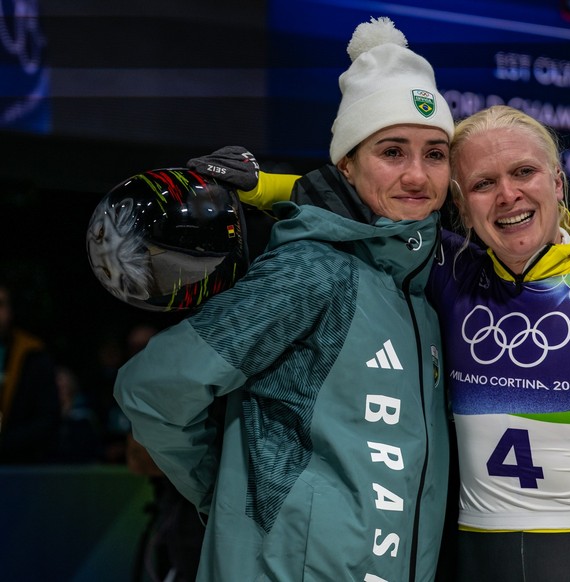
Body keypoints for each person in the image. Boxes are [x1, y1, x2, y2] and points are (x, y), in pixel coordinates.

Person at [222, 105, 570, 580]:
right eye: (484, 183)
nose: (508, 194)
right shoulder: (447, 272)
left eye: (524, 173)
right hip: (477, 563)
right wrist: (257, 185)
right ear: (462, 208)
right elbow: (361, 199)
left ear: (557, 183)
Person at [115, 16, 453, 582]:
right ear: (348, 163)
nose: (416, 175)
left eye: (435, 154)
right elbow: (153, 388)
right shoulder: (311, 269)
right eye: (392, 151)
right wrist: (230, 495)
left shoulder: (416, 292)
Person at [0, 276, 61, 463]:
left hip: (20, 467)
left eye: (0, 304)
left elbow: (47, 419)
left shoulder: (32, 356)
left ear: (10, 311)